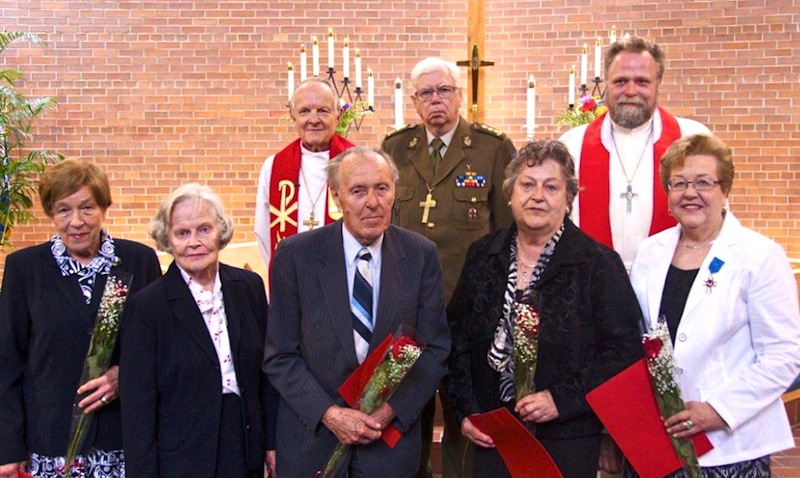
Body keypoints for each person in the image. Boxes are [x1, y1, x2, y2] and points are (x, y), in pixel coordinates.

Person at [447, 140, 643, 478]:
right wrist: (467, 411)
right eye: (527, 184)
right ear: (509, 194)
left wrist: (561, 400)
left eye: (551, 187)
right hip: (493, 433)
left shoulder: (596, 263)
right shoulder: (483, 254)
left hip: (566, 436)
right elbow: (457, 338)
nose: (537, 195)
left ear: (568, 199)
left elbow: (622, 352)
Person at [264, 146, 450, 478]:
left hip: (388, 449)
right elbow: (280, 357)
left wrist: (388, 412)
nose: (372, 202)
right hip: (314, 443)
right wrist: (331, 414)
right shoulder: (295, 256)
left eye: (382, 188)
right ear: (337, 197)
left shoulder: (420, 256)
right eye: (358, 191)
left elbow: (435, 350)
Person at [628, 133, 800, 475]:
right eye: (679, 183)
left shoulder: (759, 256)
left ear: (725, 190)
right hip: (657, 440)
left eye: (703, 182)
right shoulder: (650, 252)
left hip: (729, 444)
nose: (690, 193)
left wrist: (716, 410)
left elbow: (784, 355)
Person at [381, 56, 515, 478]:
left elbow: (506, 235)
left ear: (460, 97)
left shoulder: (493, 148)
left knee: (465, 416)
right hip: (408, 310)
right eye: (426, 93)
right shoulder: (395, 148)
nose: (435, 100)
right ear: (415, 101)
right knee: (404, 415)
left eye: (443, 91)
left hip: (468, 310)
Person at [0, 159, 161, 478]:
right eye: (63, 210)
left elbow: (161, 347)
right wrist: (7, 447)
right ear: (50, 213)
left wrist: (122, 375)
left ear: (104, 207)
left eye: (87, 207)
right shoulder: (24, 269)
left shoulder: (137, 261)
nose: (76, 221)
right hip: (50, 443)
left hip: (124, 440)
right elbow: (7, 363)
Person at [119, 183, 277, 477]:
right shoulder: (146, 307)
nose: (194, 242)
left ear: (221, 232)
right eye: (182, 233)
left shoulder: (249, 287)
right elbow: (137, 409)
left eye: (204, 229)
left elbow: (266, 376)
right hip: (181, 457)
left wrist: (271, 444)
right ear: (168, 239)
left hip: (243, 447)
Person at [559, 36, 710, 271]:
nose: (631, 91)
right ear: (607, 83)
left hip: (671, 280)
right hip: (592, 284)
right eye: (620, 81)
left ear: (659, 82)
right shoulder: (572, 144)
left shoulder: (693, 139)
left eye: (642, 81)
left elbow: (716, 217)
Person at [255, 78, 355, 274]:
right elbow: (263, 231)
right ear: (293, 117)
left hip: (345, 277)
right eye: (304, 111)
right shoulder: (273, 167)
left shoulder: (358, 163)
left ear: (338, 114)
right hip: (293, 276)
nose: (314, 119)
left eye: (323, 111)